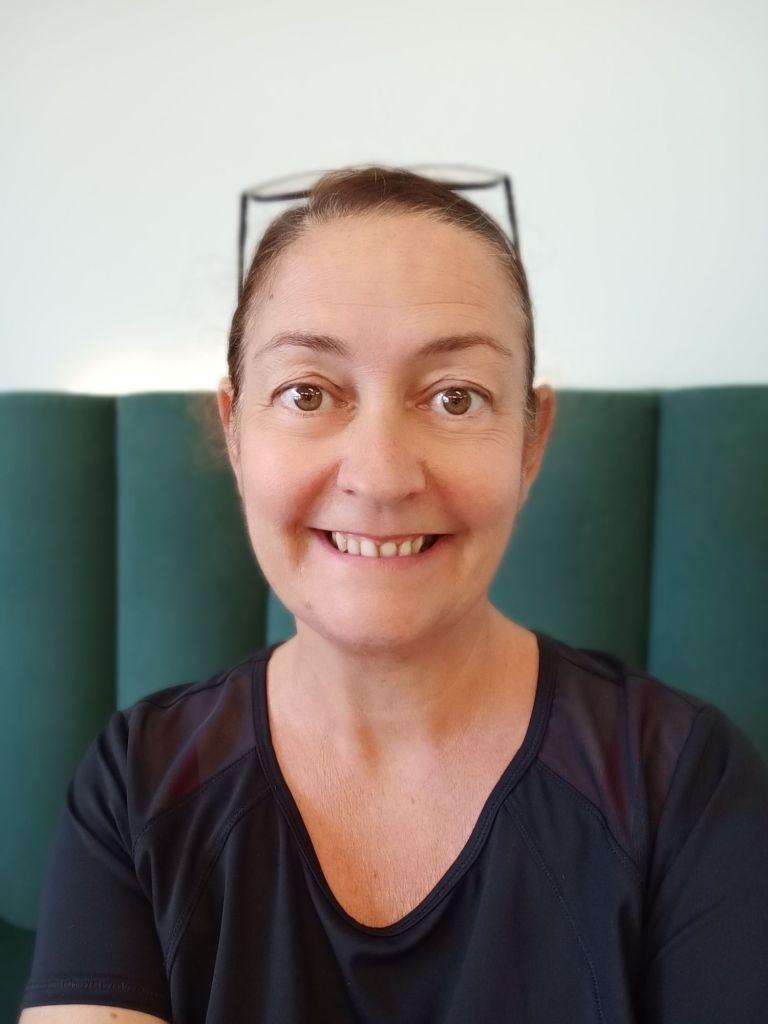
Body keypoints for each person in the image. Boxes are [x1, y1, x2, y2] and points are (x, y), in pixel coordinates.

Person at [18, 166, 768, 1024]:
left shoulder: (683, 782)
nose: (380, 477)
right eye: (307, 393)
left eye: (456, 397)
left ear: (532, 443)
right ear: (235, 431)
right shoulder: (137, 785)